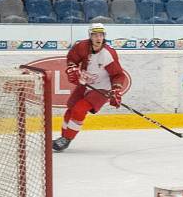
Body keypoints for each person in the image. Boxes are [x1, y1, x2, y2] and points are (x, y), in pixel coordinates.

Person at [52, 24, 127, 152]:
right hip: (85, 84)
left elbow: (118, 75)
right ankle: (63, 137)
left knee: (79, 109)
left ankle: (66, 139)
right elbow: (72, 58)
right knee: (70, 109)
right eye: (95, 35)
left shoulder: (108, 54)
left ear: (104, 36)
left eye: (101, 35)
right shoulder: (82, 46)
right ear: (90, 36)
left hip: (102, 88)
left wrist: (116, 89)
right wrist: (72, 67)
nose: (98, 38)